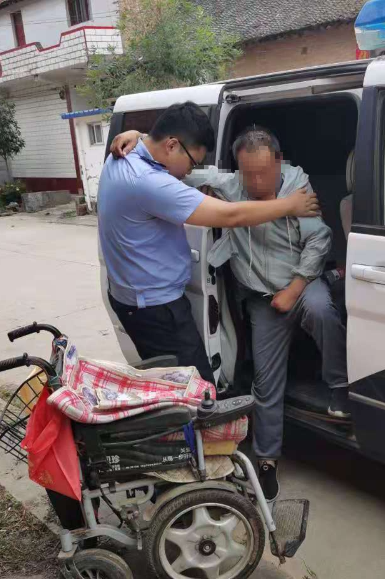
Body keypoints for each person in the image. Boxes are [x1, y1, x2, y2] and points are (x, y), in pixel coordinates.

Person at [111, 125, 349, 501]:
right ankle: (267, 462)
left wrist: (295, 287)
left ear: (279, 163)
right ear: (238, 169)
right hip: (261, 299)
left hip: (300, 285)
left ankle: (340, 389)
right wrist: (137, 136)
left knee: (322, 310)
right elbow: (177, 163)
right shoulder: (230, 186)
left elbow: (319, 240)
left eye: (264, 173)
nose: (256, 181)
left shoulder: (297, 187)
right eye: (248, 174)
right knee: (267, 385)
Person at [98, 103, 320, 385]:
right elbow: (232, 214)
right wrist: (289, 205)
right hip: (156, 310)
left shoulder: (122, 155)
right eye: (193, 162)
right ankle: (192, 429)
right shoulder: (150, 182)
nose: (191, 171)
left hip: (133, 298)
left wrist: (136, 133)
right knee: (193, 392)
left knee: (169, 386)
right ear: (172, 145)